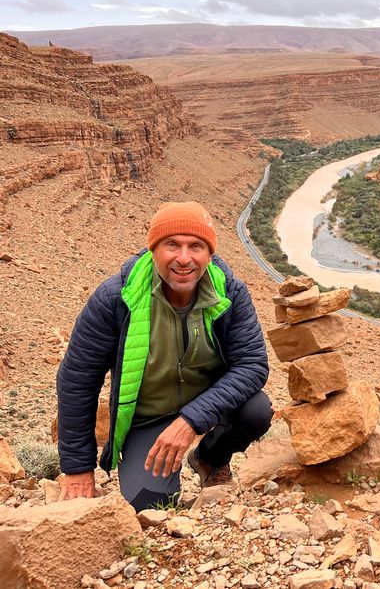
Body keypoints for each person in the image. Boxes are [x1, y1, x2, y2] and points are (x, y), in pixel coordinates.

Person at [56, 201, 271, 510]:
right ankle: (157, 468)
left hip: (208, 406)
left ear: (209, 254)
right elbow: (78, 380)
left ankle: (209, 458)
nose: (184, 258)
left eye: (196, 246)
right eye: (172, 245)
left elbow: (252, 365)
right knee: (151, 503)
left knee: (256, 411)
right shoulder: (116, 299)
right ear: (153, 249)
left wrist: (191, 420)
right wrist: (77, 469)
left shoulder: (230, 292)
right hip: (148, 417)